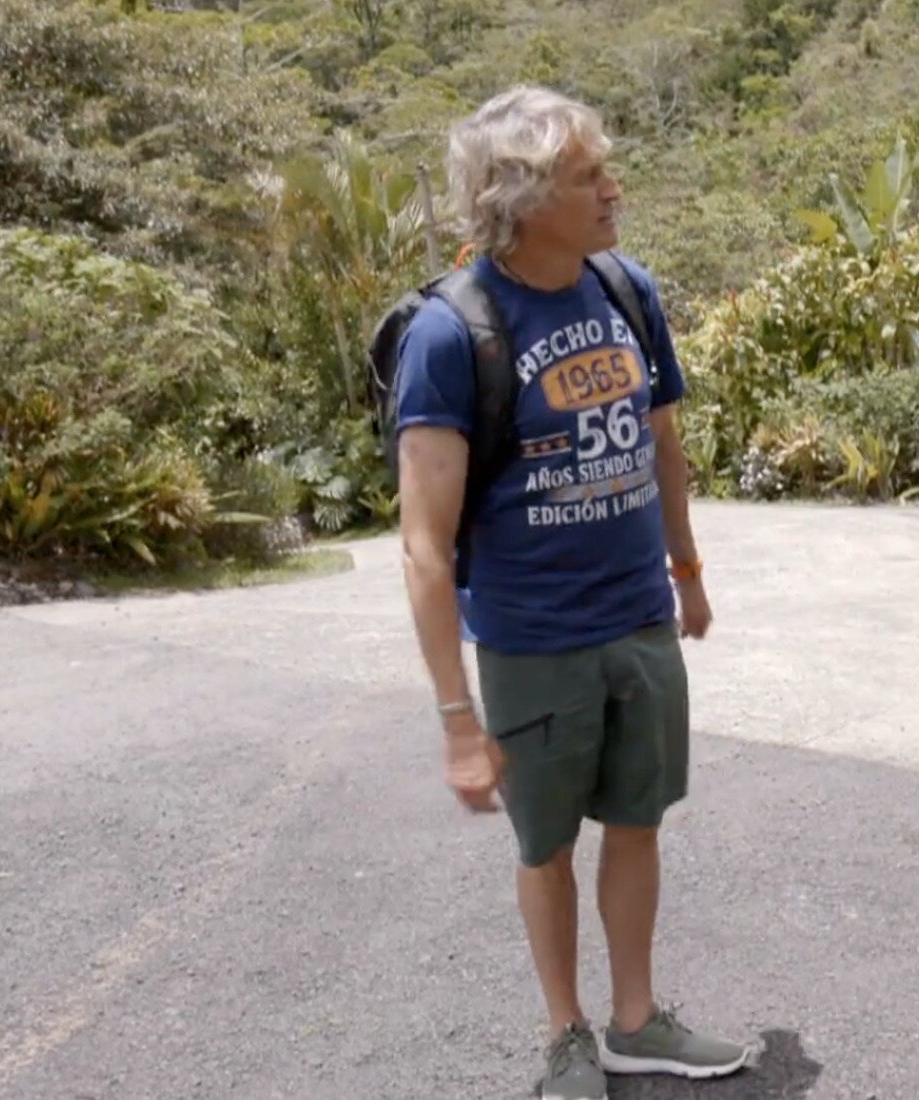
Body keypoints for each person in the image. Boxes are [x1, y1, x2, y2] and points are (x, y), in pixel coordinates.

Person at [393, 87, 748, 1100]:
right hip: (531, 639)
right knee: (544, 842)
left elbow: (660, 441)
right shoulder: (451, 333)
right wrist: (458, 719)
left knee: (637, 818)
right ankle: (565, 1035)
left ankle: (635, 1020)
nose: (612, 188)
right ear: (525, 193)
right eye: (590, 175)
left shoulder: (625, 289)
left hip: (637, 619)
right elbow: (422, 543)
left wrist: (686, 572)